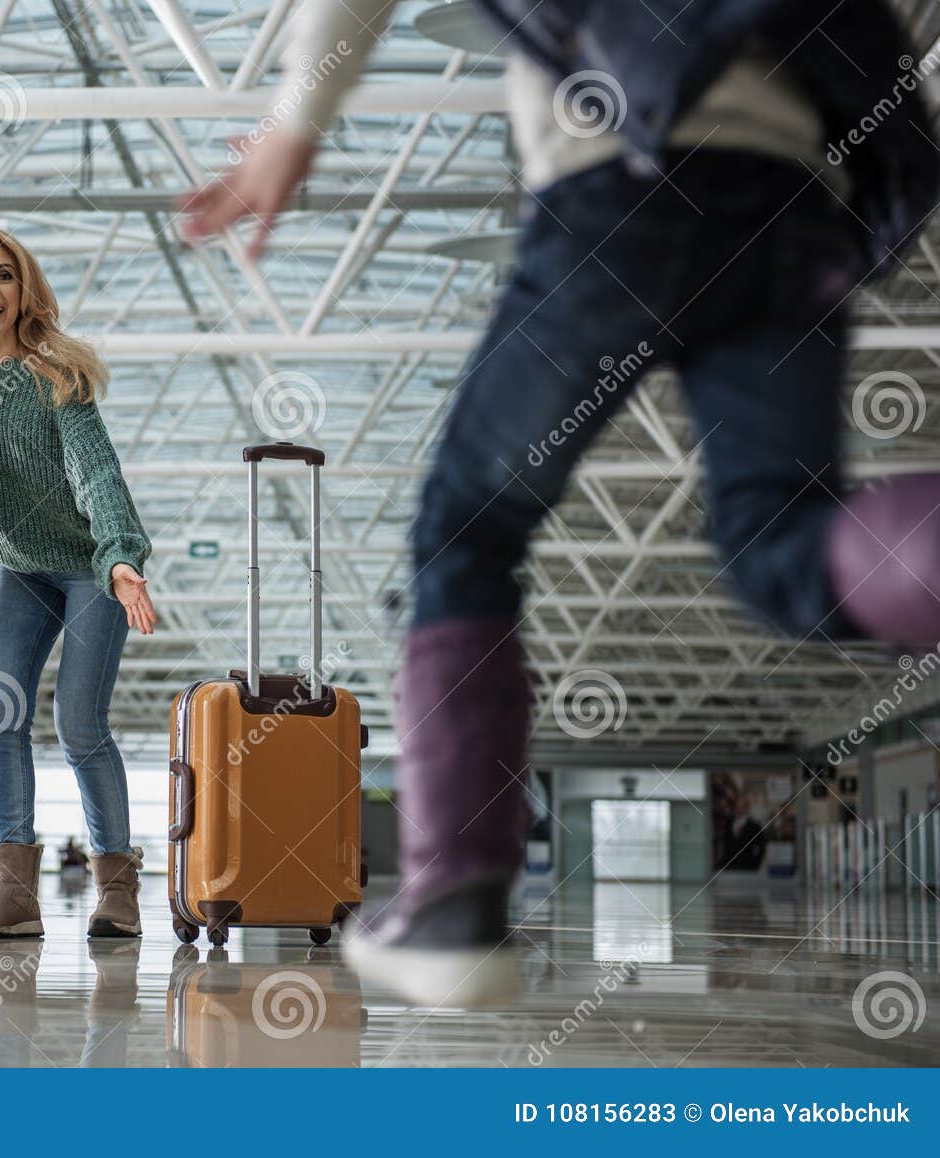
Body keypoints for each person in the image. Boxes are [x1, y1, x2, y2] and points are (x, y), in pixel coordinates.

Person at [179, 0, 939, 1006]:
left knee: (468, 529)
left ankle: (453, 908)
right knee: (781, 548)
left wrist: (296, 122)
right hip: (792, 202)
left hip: (620, 183)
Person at [0, 228, 157, 940]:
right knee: (0, 714)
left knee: (79, 724)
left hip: (90, 567)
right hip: (22, 571)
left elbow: (96, 471)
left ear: (23, 294)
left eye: (3, 276)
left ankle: (116, 886)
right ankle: (16, 893)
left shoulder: (59, 378)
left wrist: (120, 557)